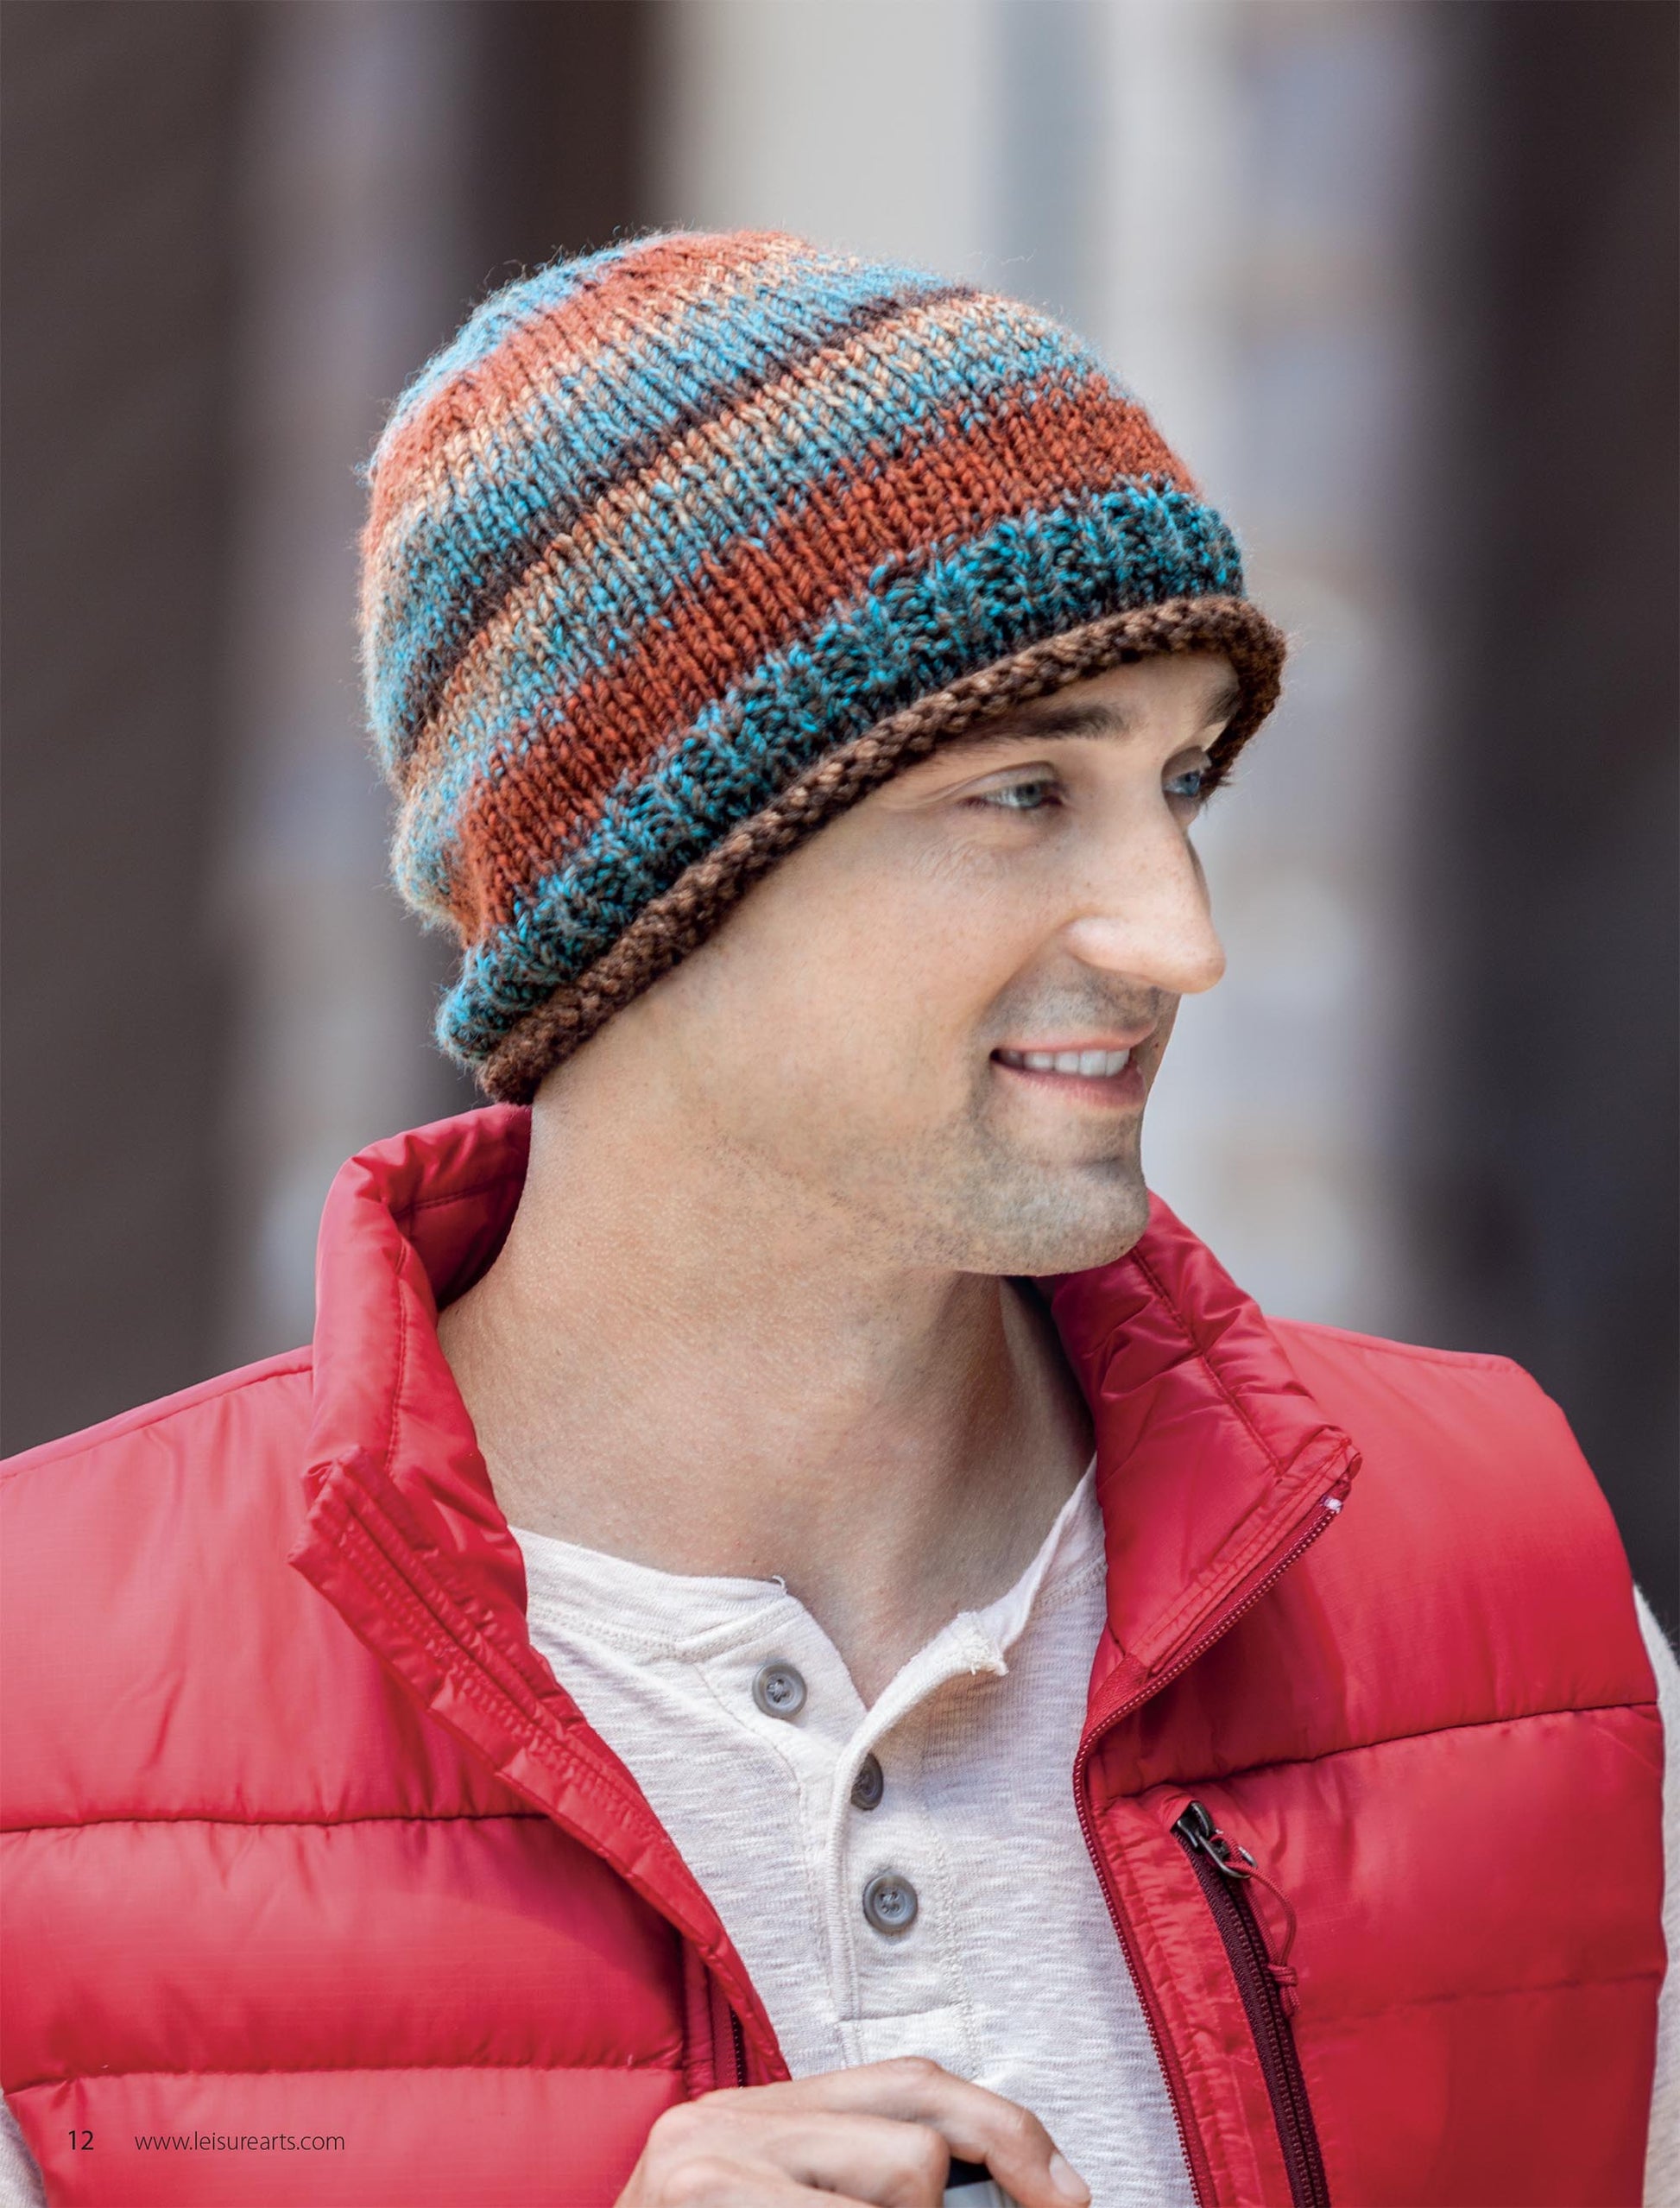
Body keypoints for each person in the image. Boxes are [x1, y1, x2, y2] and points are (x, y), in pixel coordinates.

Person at [2, 230, 1673, 2208]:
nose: (1178, 937)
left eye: (1180, 783)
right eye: (1022, 792)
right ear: (639, 891)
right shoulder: (45, 1685)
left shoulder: (1505, 1583)